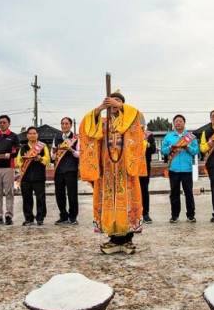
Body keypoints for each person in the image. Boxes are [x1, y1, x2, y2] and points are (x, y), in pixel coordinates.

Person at [79, 91, 146, 255]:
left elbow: (141, 120)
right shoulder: (103, 123)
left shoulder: (130, 119)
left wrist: (120, 105)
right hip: (107, 170)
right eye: (111, 101)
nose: (114, 104)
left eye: (118, 101)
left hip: (125, 169)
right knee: (109, 202)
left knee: (128, 201)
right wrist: (100, 108)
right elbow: (87, 129)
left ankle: (128, 239)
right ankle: (113, 239)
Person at [161, 114, 200, 223]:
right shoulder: (169, 137)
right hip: (173, 169)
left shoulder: (190, 136)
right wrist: (170, 148)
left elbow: (196, 151)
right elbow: (163, 150)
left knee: (188, 193)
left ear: (184, 123)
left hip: (187, 169)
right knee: (174, 193)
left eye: (180, 121)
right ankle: (174, 215)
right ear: (173, 123)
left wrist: (188, 147)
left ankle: (191, 215)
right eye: (176, 121)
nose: (178, 123)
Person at [0, 115, 20, 226]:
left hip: (8, 167)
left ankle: (9, 215)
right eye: (0, 122)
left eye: (4, 122)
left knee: (9, 192)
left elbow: (17, 151)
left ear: (9, 123)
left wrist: (10, 155)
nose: (2, 124)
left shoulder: (14, 136)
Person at [16, 126, 50, 226]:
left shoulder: (43, 146)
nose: (32, 135)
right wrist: (23, 159)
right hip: (26, 177)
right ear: (27, 135)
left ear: (37, 135)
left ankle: (40, 217)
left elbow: (47, 159)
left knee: (40, 198)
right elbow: (18, 161)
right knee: (26, 198)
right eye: (30, 134)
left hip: (39, 176)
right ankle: (28, 218)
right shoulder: (23, 147)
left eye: (34, 133)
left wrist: (40, 158)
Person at [52, 117, 80, 225]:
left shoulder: (75, 138)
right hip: (59, 170)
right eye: (62, 123)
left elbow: (80, 154)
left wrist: (71, 150)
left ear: (71, 125)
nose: (64, 125)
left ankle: (72, 217)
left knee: (72, 194)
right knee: (59, 194)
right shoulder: (57, 139)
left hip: (71, 170)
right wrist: (54, 152)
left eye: (66, 123)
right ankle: (63, 216)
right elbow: (53, 157)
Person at [139, 130, 157, 223]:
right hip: (130, 166)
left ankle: (145, 213)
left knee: (144, 190)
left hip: (144, 166)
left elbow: (153, 149)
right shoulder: (128, 132)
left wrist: (146, 144)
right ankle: (132, 214)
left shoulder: (149, 135)